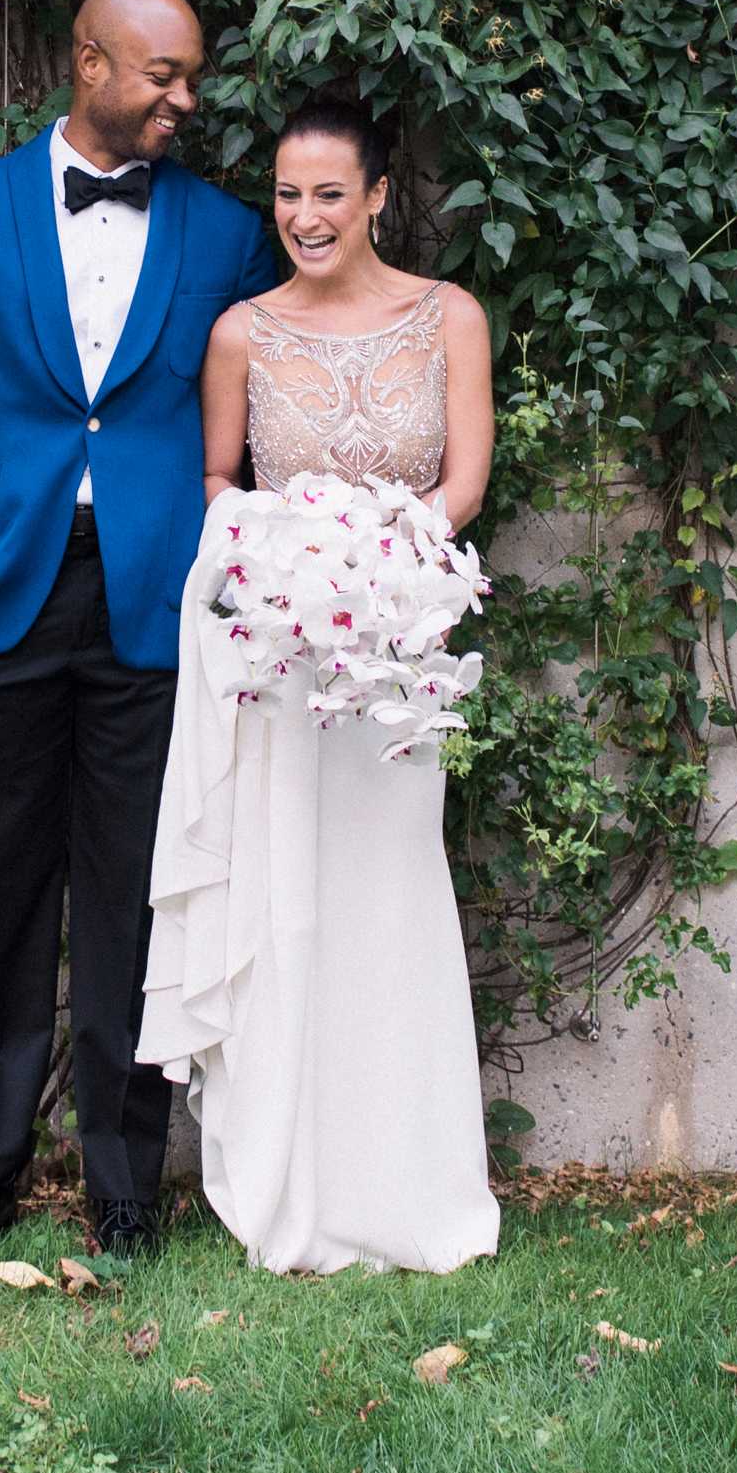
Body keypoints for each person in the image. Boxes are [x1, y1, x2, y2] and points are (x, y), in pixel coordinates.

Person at [0, 0, 276, 1262]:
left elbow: (269, 411)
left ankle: (121, 1195)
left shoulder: (225, 233)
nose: (184, 100)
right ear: (88, 63)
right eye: (161, 76)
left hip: (156, 604)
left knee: (132, 901)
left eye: (192, 76)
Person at [137, 91, 503, 1275]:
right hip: (284, 664)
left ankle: (412, 1189)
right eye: (287, 196)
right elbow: (215, 482)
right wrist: (282, 561)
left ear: (378, 197)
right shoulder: (243, 331)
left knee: (389, 901)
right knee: (289, 903)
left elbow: (463, 484)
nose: (304, 216)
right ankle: (292, 1182)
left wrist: (379, 562)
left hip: (392, 659)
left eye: (328, 194)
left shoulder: (448, 318)